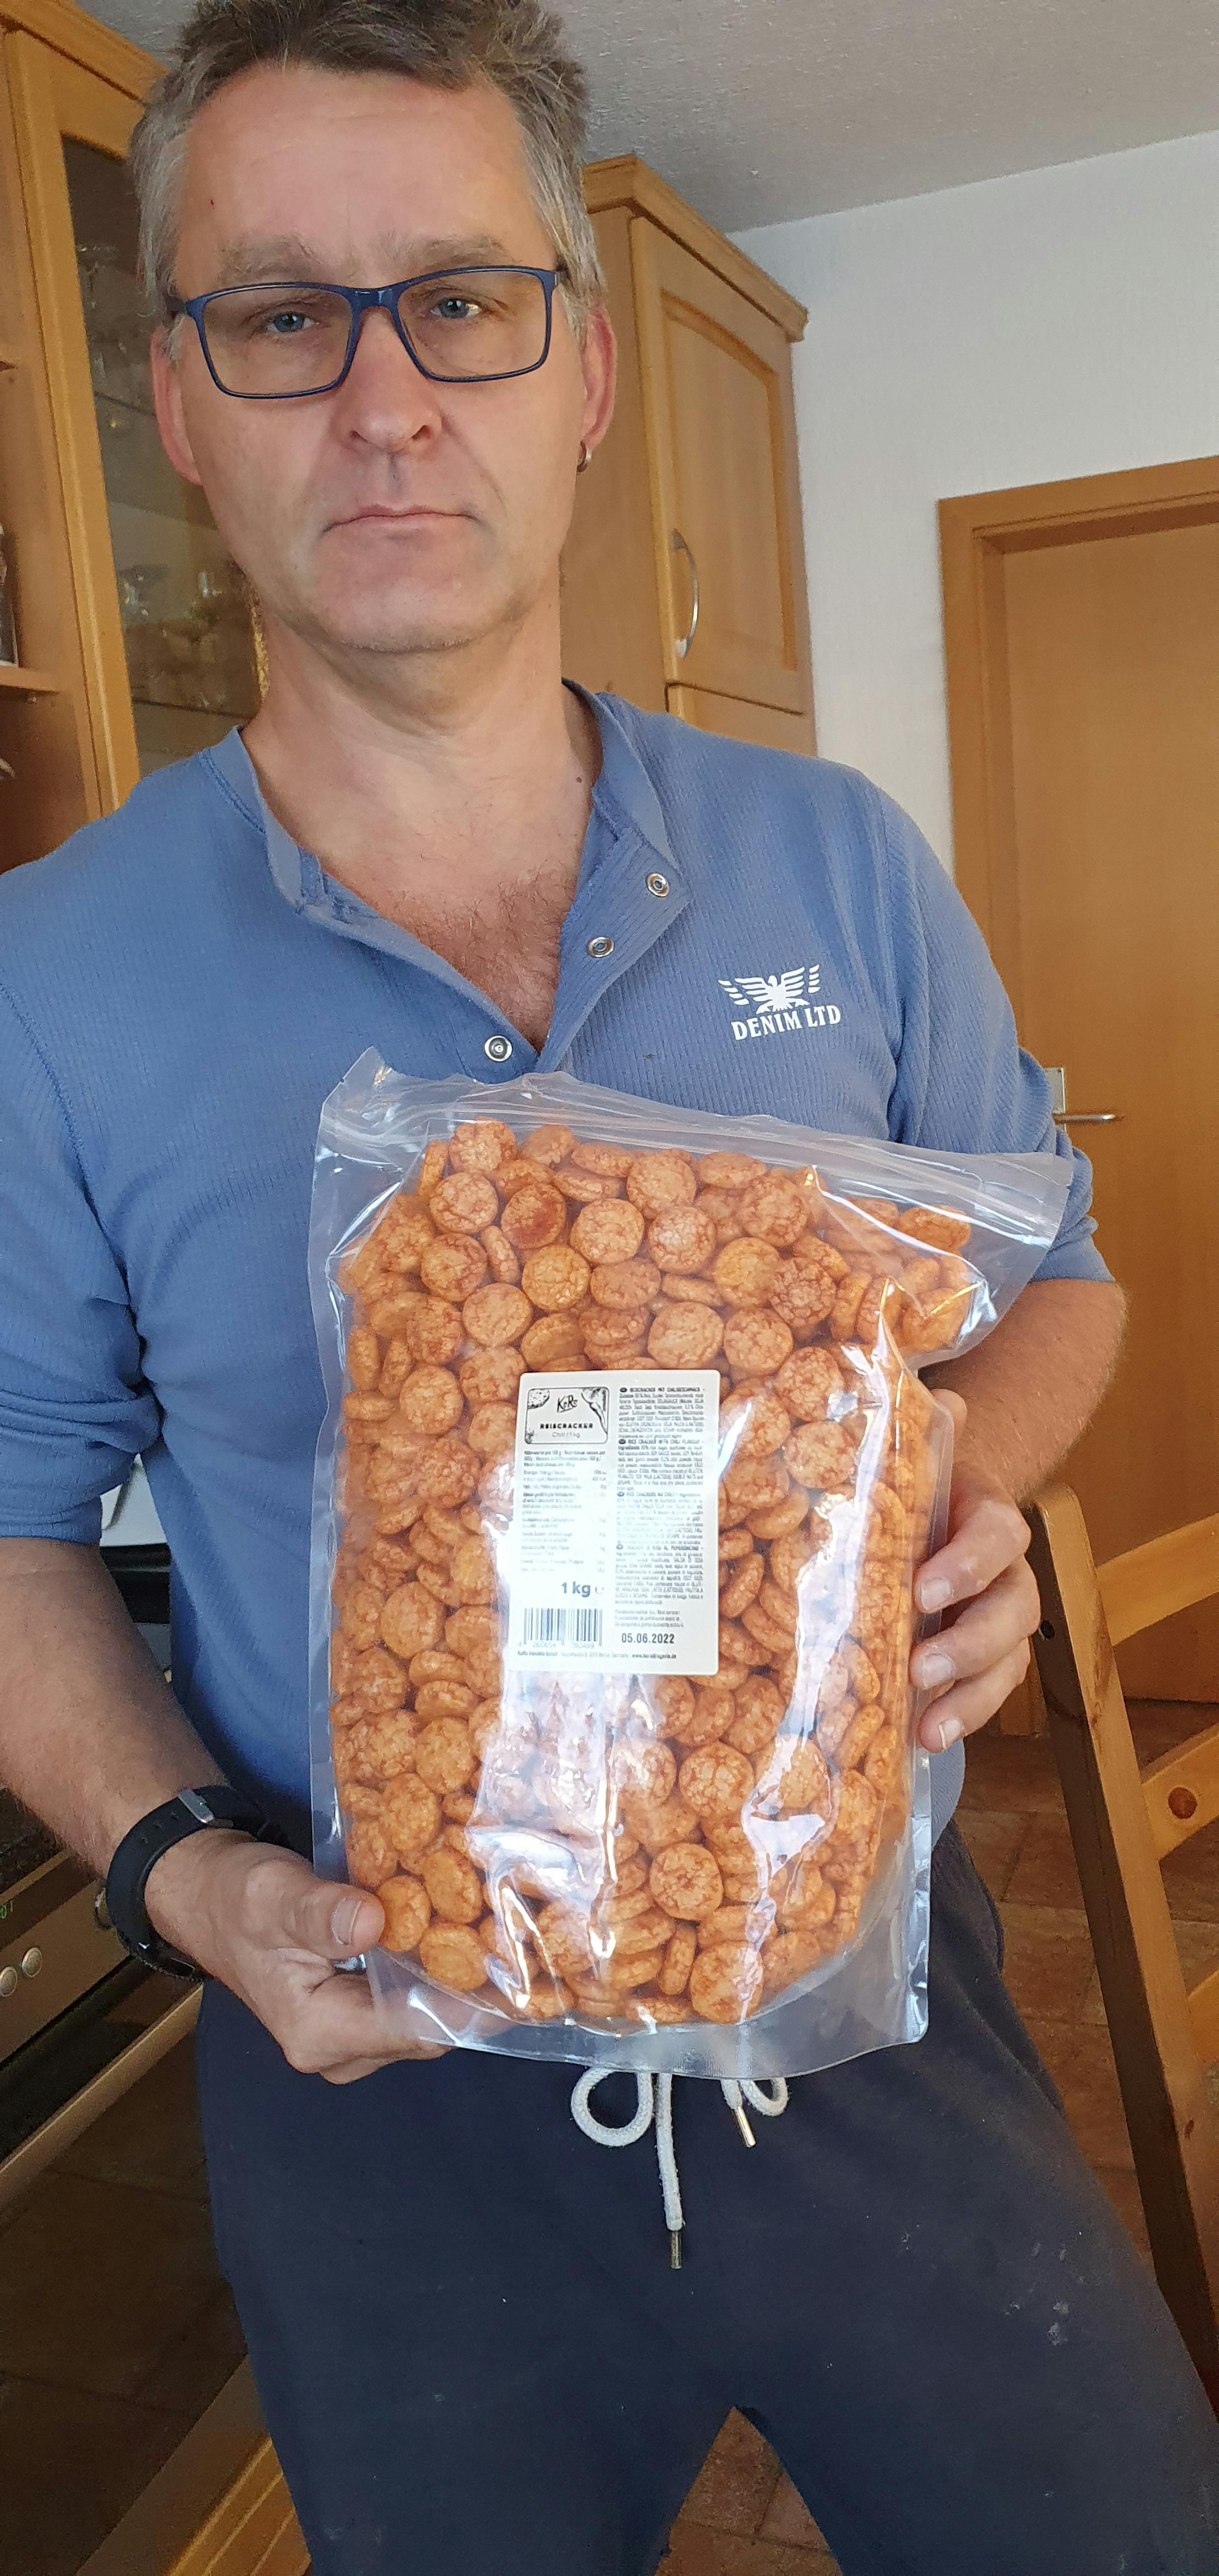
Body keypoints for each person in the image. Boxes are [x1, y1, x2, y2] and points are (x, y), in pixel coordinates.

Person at [0, 2, 1213, 2568]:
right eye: (277, 313)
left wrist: (955, 1489)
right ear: (179, 409)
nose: (382, 394)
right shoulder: (49, 981)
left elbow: (1059, 1272)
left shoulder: (836, 854)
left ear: (576, 378)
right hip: (375, 2064)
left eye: (460, 298)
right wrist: (190, 1883)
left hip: (856, 1979)